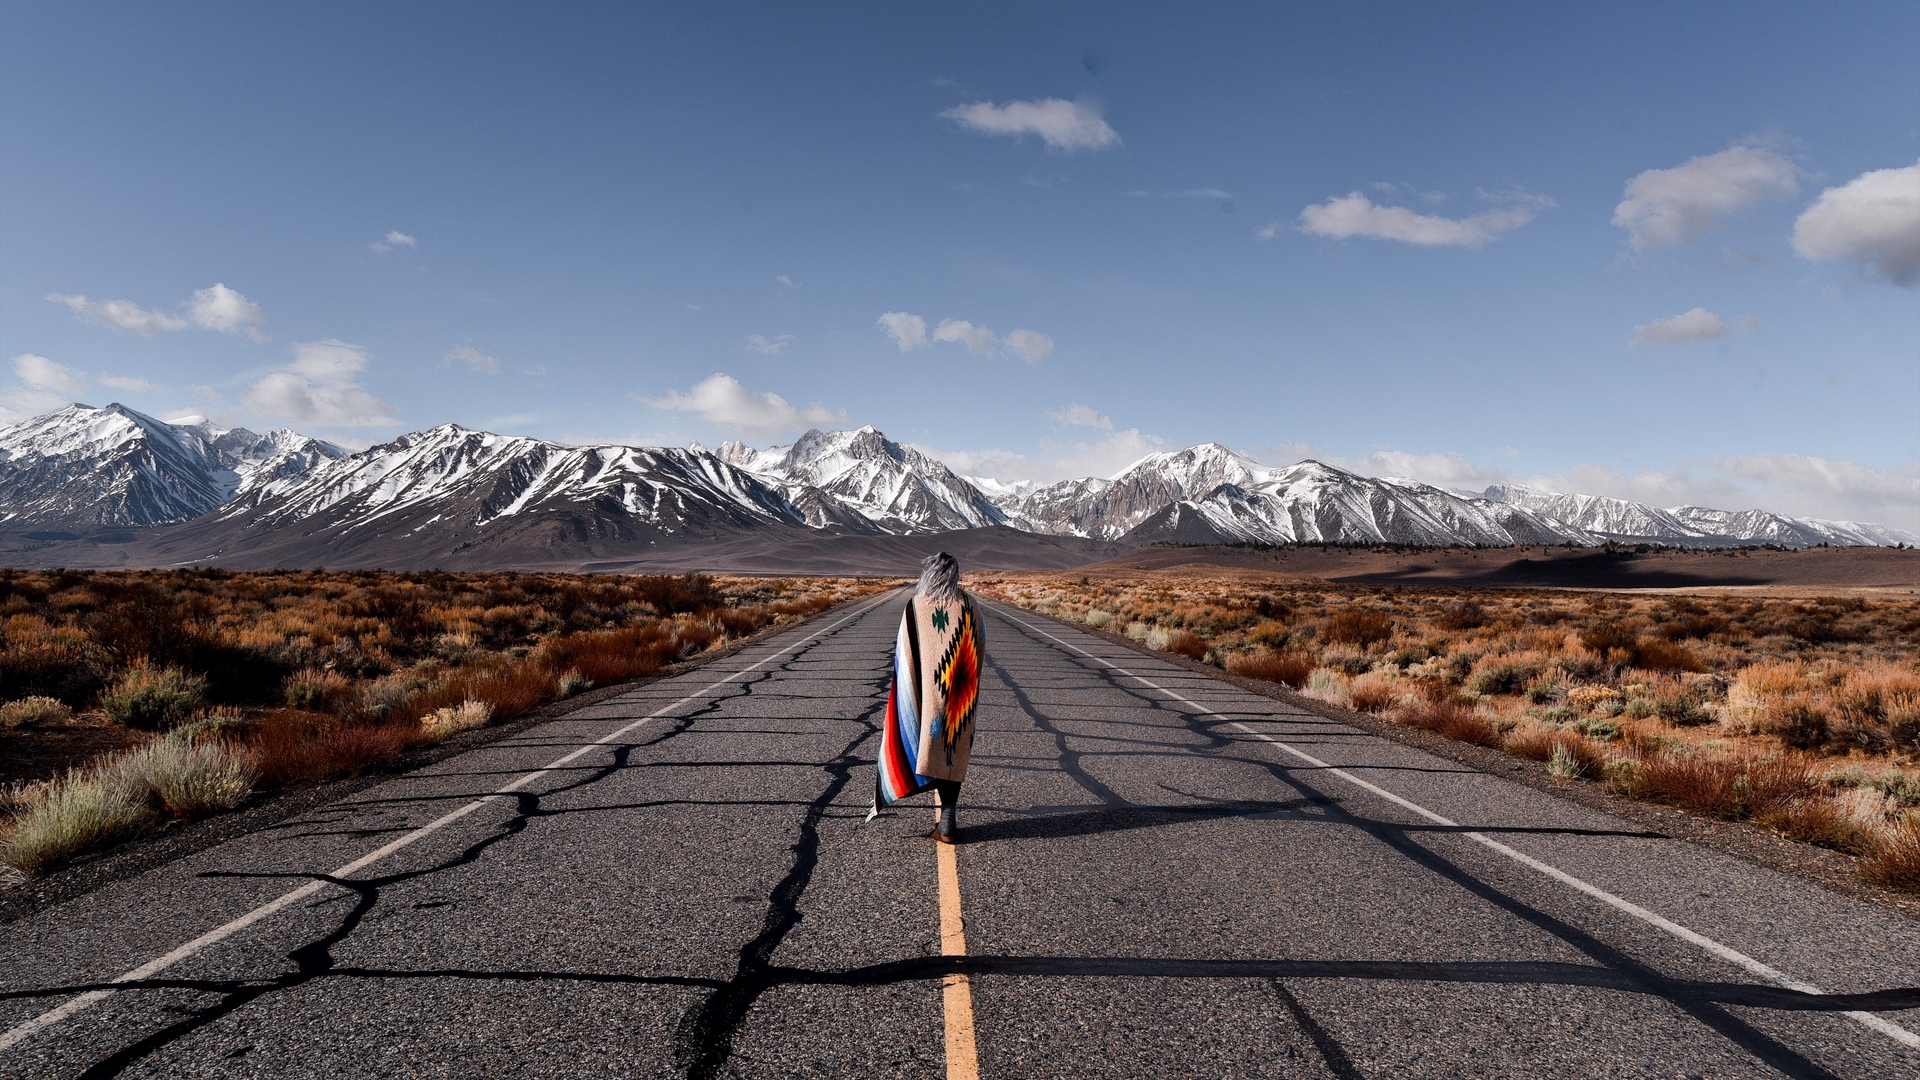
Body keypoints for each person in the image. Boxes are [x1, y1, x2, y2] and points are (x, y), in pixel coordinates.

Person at [871, 551, 984, 843]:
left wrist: (914, 688)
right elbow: (980, 644)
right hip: (961, 694)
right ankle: (948, 819)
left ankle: (946, 824)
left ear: (929, 574)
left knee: (929, 747)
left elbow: (904, 653)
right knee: (953, 751)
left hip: (927, 694)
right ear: (955, 575)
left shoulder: (916, 606)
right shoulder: (970, 605)